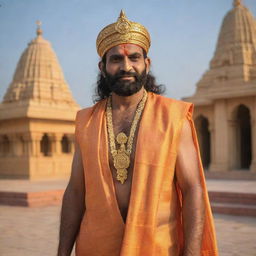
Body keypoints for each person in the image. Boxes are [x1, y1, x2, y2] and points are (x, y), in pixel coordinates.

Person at [58, 10, 218, 256]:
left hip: (157, 247)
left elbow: (193, 187)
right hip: (96, 247)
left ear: (147, 63)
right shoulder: (86, 121)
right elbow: (76, 191)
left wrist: (193, 251)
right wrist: (62, 252)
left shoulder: (173, 117)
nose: (126, 66)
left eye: (134, 57)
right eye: (116, 60)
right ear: (102, 67)